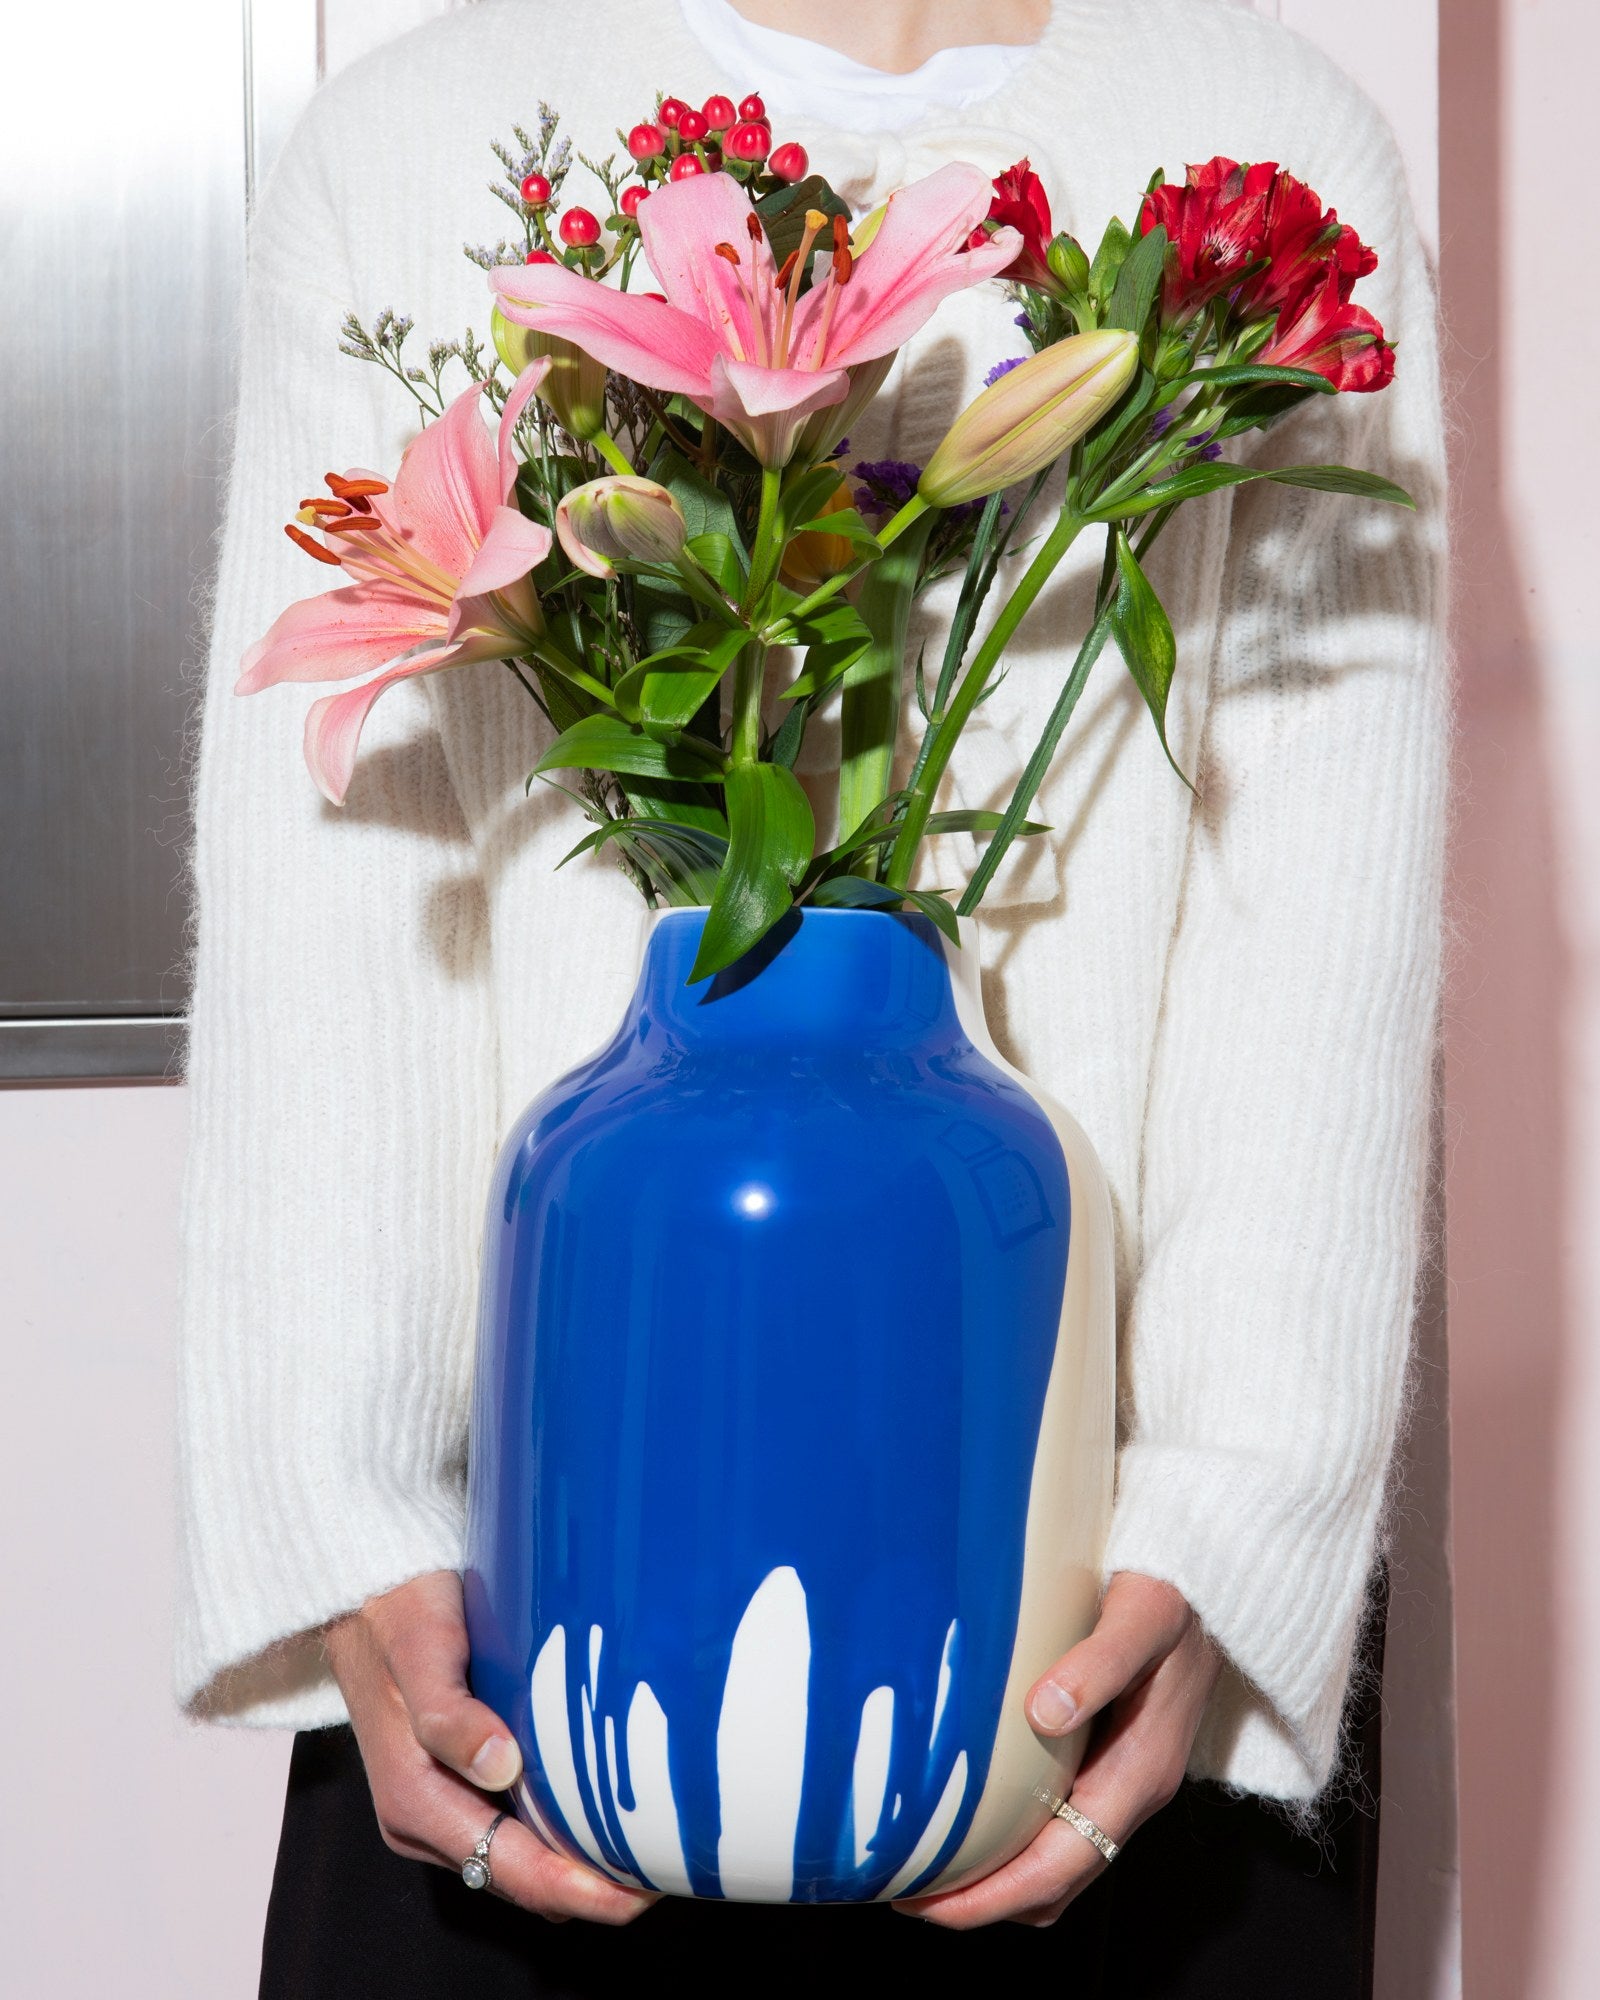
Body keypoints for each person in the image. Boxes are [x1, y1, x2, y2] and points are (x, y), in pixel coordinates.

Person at [177, 0, 1445, 1992]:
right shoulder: (407, 143)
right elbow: (327, 895)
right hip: (533, 1668)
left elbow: (1326, 931)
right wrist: (343, 1527)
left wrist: (1234, 1525)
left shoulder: (1267, 147)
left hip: (1099, 1688)